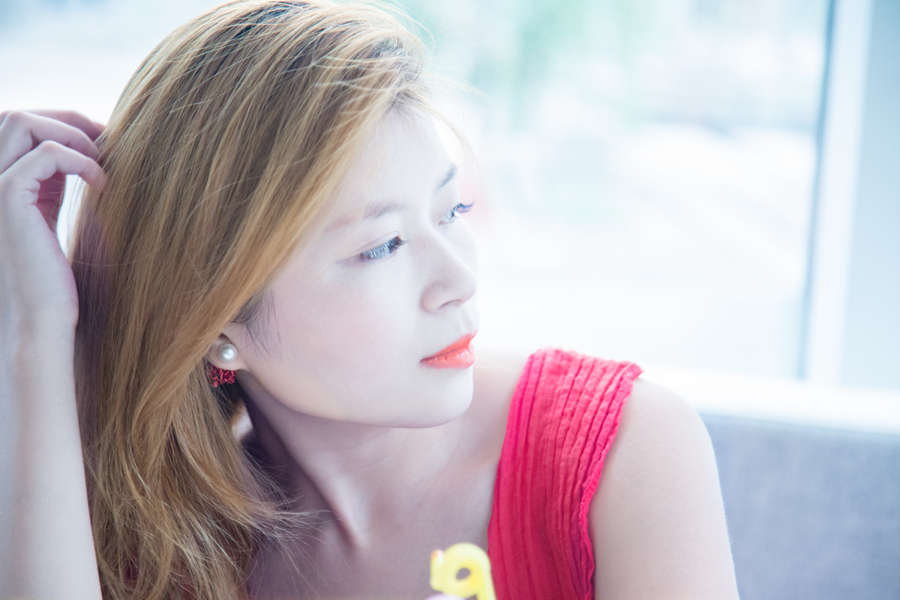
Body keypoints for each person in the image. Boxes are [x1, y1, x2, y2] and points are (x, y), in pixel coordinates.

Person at [0, 1, 740, 599]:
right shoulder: (175, 546)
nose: (459, 280)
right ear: (218, 321)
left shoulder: (623, 452)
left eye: (451, 211)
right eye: (382, 246)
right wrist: (36, 332)